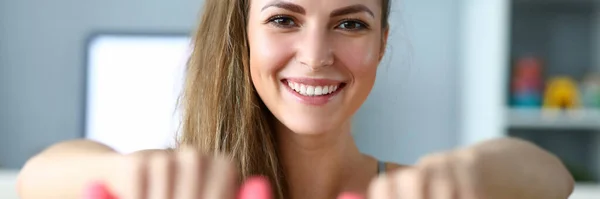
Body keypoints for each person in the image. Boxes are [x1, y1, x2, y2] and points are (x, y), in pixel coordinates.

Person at [17, 0, 575, 198]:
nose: (315, 54)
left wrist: (468, 172)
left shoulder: (410, 193)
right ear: (242, 37)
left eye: (350, 24)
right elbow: (37, 178)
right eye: (284, 19)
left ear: (381, 43)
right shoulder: (182, 190)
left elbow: (550, 177)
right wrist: (131, 176)